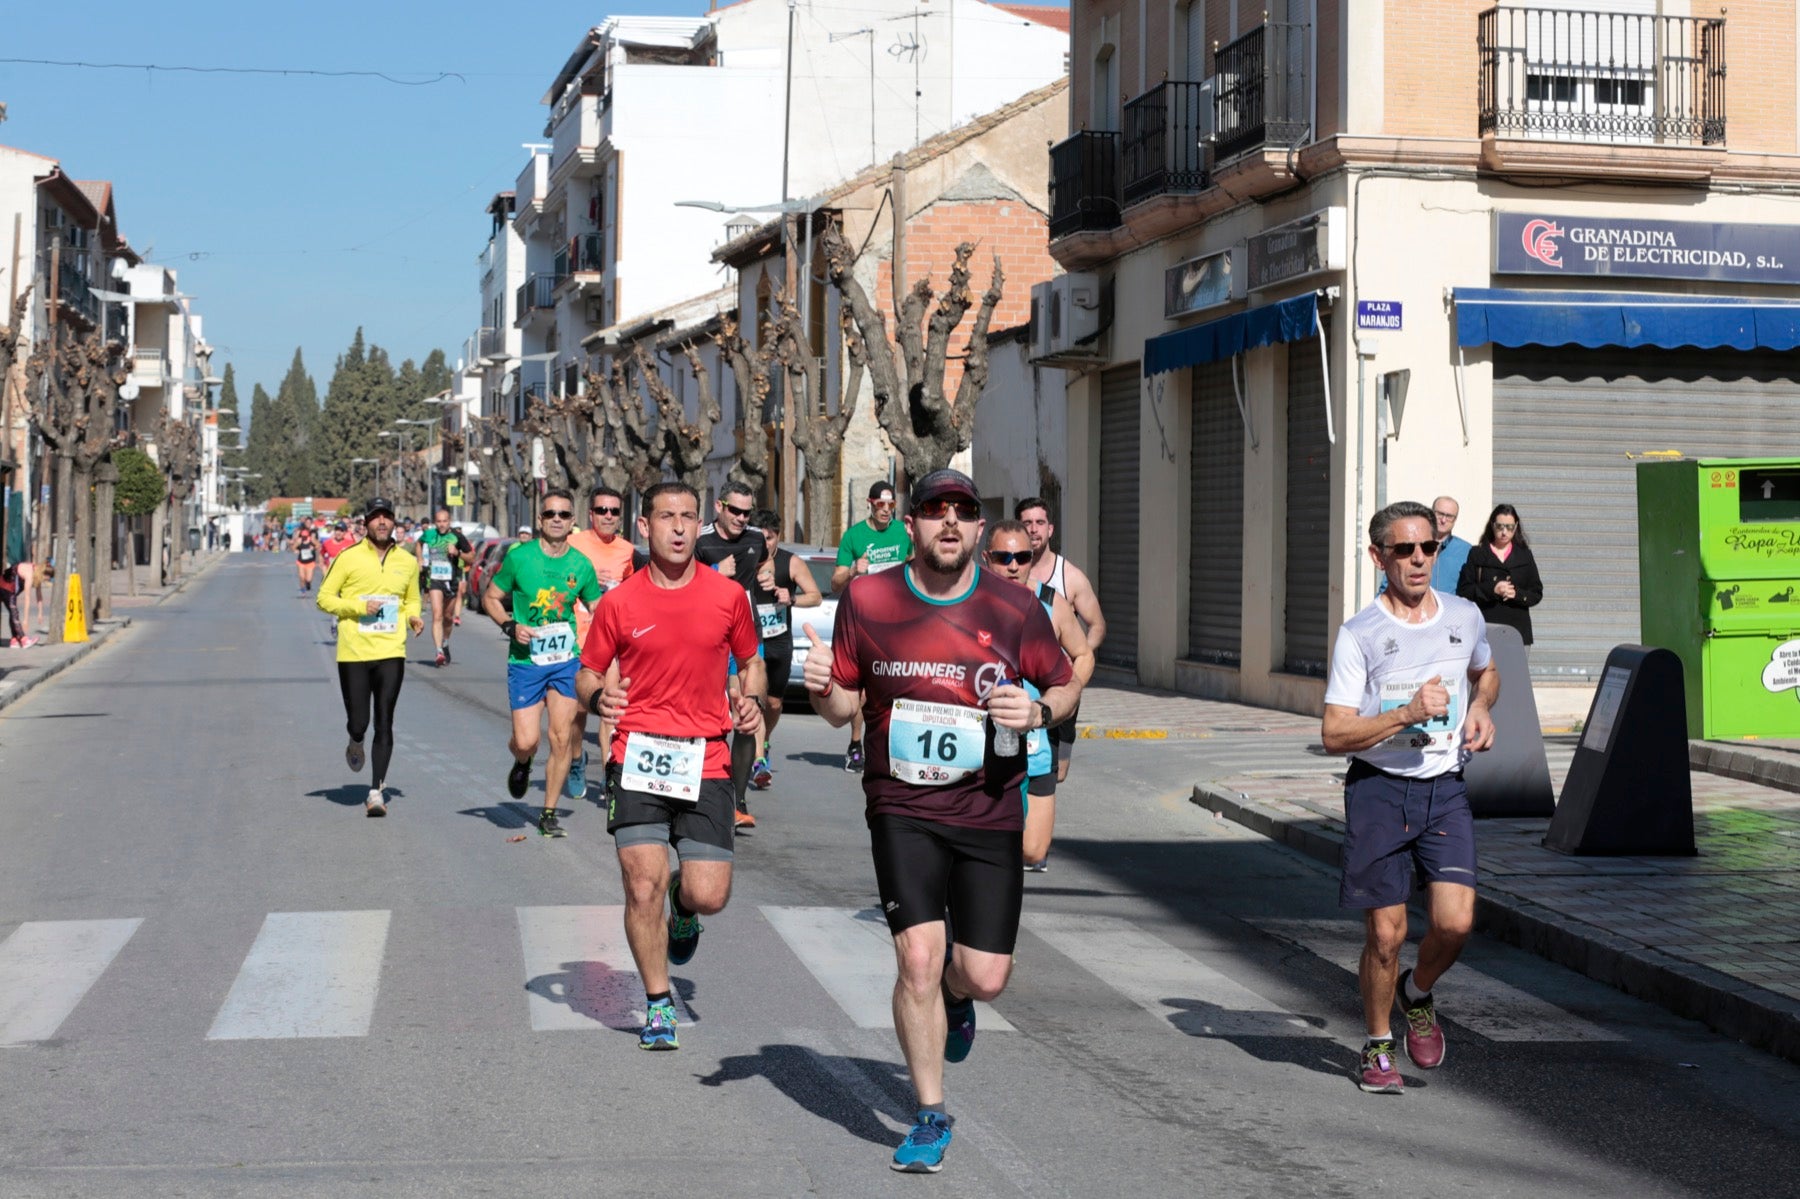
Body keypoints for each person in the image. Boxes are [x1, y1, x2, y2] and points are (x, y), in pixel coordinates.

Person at [804, 469, 1079, 1173]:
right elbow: (843, 707)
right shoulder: (868, 596)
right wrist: (823, 693)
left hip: (990, 805)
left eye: (962, 510)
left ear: (979, 527)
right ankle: (930, 1112)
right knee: (917, 959)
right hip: (902, 805)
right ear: (913, 524)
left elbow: (1067, 677)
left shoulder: (1015, 606)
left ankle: (961, 998)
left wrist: (1040, 711)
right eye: (935, 510)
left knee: (984, 975)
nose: (949, 521)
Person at [576, 481, 762, 1051]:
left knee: (709, 894)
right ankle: (659, 1004)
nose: (679, 528)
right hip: (636, 753)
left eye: (687, 517)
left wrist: (748, 698)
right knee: (641, 886)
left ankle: (685, 910)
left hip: (705, 757)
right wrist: (595, 699)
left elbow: (750, 663)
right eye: (666, 517)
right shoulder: (619, 603)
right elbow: (587, 672)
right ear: (645, 527)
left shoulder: (727, 595)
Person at [1321, 499, 1499, 1095]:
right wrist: (1405, 713)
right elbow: (1333, 732)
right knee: (1388, 934)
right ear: (1379, 557)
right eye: (1405, 549)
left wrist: (1480, 706)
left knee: (1455, 923)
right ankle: (1376, 1047)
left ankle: (1416, 993)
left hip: (1444, 788)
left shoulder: (1465, 615)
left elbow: (1486, 671)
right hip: (1378, 791)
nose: (1419, 559)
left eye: (1429, 547)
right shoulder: (1361, 634)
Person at [484, 488, 601, 838]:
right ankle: (523, 761)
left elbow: (598, 609)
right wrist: (510, 625)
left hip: (566, 661)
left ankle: (548, 812)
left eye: (563, 515)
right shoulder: (520, 558)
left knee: (561, 737)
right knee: (527, 740)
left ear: (572, 521)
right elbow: (491, 596)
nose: (556, 520)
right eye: (550, 514)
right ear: (540, 520)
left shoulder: (581, 565)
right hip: (526, 661)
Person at [983, 520, 1095, 871]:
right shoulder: (970, 602)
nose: (1013, 565)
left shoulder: (1052, 603)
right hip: (981, 742)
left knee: (1032, 851)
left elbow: (1084, 654)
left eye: (1022, 557)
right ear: (987, 558)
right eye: (1003, 557)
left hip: (1036, 740)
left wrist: (1066, 692)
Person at [316, 497, 425, 817]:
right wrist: (357, 608)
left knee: (385, 720)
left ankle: (376, 790)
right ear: (366, 523)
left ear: (394, 523)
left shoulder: (406, 562)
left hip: (391, 651)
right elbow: (324, 598)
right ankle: (354, 739)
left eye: (387, 517)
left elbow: (412, 600)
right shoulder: (348, 557)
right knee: (360, 722)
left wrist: (414, 617)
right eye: (376, 517)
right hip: (354, 652)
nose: (382, 522)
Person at [1015, 498, 1105, 786]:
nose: (1033, 529)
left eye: (1039, 522)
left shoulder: (1070, 578)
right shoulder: (1008, 572)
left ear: (1050, 529)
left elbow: (1098, 625)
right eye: (1026, 523)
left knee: (1058, 772)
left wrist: (1077, 665)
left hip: (1061, 687)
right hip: (1021, 685)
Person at [695, 481, 769, 828]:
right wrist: (712, 573)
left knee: (746, 712)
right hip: (708, 637)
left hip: (746, 634)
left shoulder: (755, 540)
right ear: (720, 507)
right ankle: (703, 788)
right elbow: (681, 580)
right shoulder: (702, 542)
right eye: (735, 510)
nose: (741, 518)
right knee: (710, 717)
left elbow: (764, 564)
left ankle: (737, 798)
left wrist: (767, 578)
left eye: (746, 512)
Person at [832, 480, 913, 773]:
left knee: (900, 684)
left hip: (899, 620)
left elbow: (915, 561)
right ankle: (856, 744)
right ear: (870, 503)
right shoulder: (854, 536)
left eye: (891, 505)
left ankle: (889, 742)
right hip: (865, 618)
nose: (886, 511)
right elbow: (835, 581)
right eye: (881, 505)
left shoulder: (903, 532)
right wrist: (854, 570)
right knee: (863, 690)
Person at [567, 485, 638, 803]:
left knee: (612, 709)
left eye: (613, 511)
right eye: (601, 510)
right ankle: (576, 760)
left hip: (612, 642)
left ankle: (611, 774)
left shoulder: (627, 551)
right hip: (577, 639)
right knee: (579, 711)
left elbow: (635, 592)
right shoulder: (573, 544)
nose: (607, 516)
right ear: (591, 514)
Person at [747, 507, 823, 801]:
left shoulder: (790, 562)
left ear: (777, 536)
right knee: (753, 700)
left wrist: (789, 597)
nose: (764, 544)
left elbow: (815, 596)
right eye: (759, 537)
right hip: (751, 642)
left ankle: (764, 741)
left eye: (769, 537)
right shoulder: (744, 560)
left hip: (779, 640)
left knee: (775, 704)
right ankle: (757, 760)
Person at [1457, 504, 1543, 649]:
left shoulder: (1524, 555)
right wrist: (1492, 589)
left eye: (1509, 527)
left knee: (1514, 672)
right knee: (1485, 672)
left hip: (1517, 632)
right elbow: (1464, 591)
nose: (1504, 532)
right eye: (1500, 526)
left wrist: (1517, 593)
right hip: (1485, 629)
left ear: (1516, 527)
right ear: (1492, 525)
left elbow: (1536, 593)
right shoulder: (1477, 553)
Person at [418, 508, 472, 668]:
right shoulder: (429, 534)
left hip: (451, 580)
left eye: (444, 521)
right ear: (436, 522)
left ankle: (446, 642)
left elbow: (471, 557)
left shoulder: (457, 536)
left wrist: (457, 553)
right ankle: (438, 651)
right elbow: (419, 543)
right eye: (439, 521)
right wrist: (420, 559)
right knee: (437, 615)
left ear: (449, 521)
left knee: (448, 617)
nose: (441, 524)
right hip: (434, 579)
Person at [294, 526, 320, 595]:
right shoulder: (299, 541)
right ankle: (303, 590)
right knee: (302, 577)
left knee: (309, 579)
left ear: (308, 535)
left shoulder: (311, 540)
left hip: (310, 562)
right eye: (303, 536)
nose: (304, 538)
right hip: (301, 562)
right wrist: (296, 550)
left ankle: (308, 584)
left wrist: (313, 548)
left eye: (305, 536)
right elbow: (293, 547)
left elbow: (318, 545)